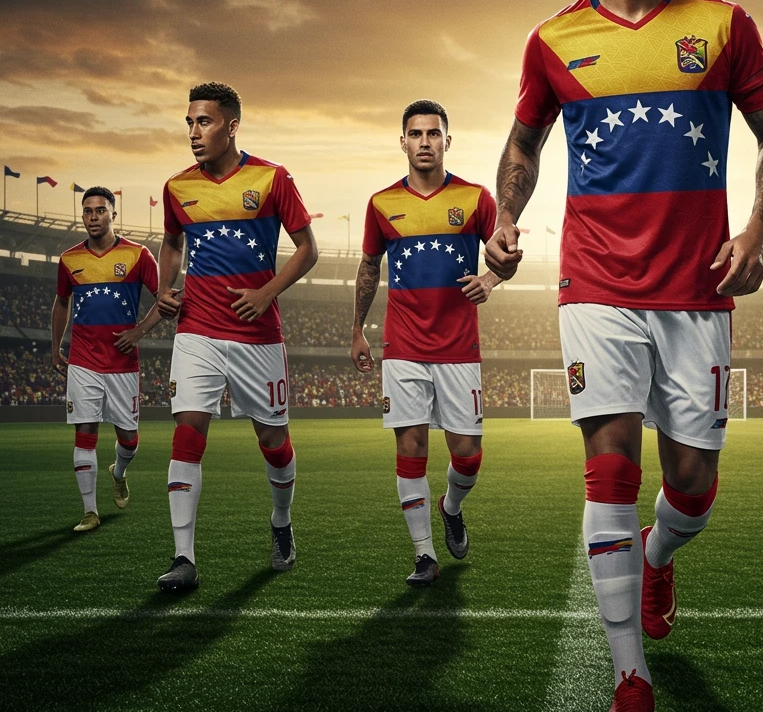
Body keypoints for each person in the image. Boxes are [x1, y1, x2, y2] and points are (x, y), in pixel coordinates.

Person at [484, 0, 763, 712]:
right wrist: (506, 217)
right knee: (611, 466)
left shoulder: (724, 24)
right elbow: (523, 144)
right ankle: (630, 676)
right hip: (596, 282)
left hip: (697, 286)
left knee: (692, 485)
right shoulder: (553, 39)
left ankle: (660, 553)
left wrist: (756, 230)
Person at [151, 81, 317, 591]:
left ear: (232, 125)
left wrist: (267, 292)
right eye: (189, 123)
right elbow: (172, 242)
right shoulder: (177, 187)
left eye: (204, 122)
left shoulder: (272, 178)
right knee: (187, 433)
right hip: (196, 329)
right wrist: (164, 288)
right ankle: (183, 558)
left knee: (273, 442)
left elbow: (307, 249)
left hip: (257, 336)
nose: (193, 133)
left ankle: (282, 521)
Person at [351, 99, 499, 587]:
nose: (424, 142)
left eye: (433, 134)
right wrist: (357, 329)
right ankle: (424, 555)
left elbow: (505, 252)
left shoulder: (476, 198)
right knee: (410, 447)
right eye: (415, 134)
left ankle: (451, 506)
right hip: (404, 347)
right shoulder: (381, 204)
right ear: (403, 142)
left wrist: (490, 279)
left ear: (447, 141)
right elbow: (369, 268)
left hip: (459, 348)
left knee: (468, 455)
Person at [51, 187, 160, 531]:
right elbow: (62, 302)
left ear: (114, 214)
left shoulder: (139, 255)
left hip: (123, 362)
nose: (93, 216)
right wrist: (55, 347)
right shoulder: (69, 259)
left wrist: (139, 331)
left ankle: (119, 471)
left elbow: (167, 299)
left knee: (129, 437)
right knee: (85, 432)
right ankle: (90, 512)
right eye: (87, 211)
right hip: (83, 359)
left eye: (100, 210)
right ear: (82, 216)